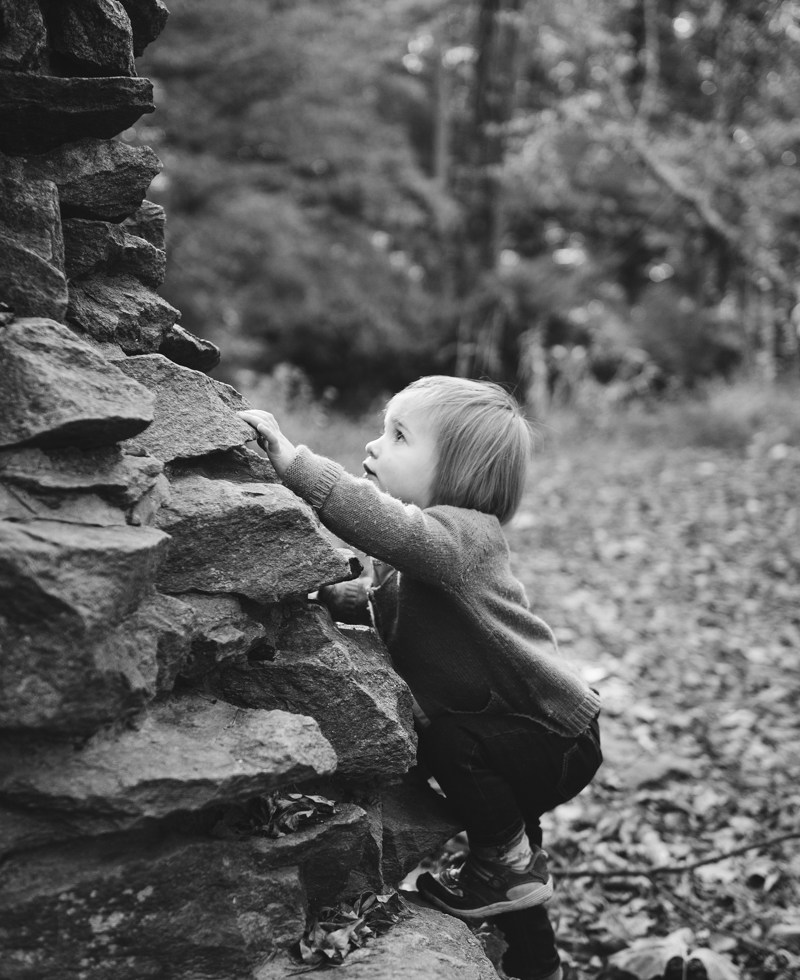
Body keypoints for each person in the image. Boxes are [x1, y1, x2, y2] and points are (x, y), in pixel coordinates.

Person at [238, 376, 602, 980]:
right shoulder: (423, 558)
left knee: (456, 752)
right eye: (383, 430)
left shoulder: (466, 538)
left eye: (399, 436)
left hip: (554, 736)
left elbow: (394, 530)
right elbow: (396, 605)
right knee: (513, 861)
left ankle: (505, 871)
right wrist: (342, 598)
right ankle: (538, 965)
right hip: (512, 738)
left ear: (458, 474)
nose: (375, 445)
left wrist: (297, 466)